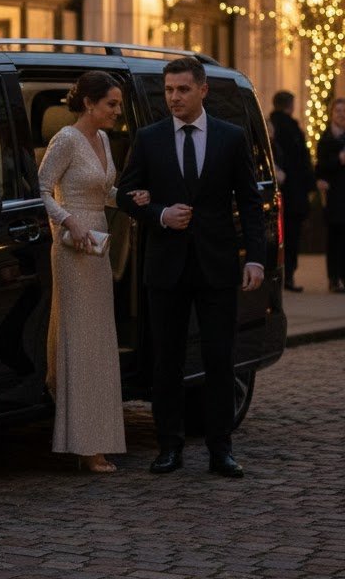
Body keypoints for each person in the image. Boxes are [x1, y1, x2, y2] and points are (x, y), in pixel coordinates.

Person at [117, 57, 265, 479]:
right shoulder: (148, 138)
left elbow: (250, 202)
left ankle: (221, 449)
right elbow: (127, 194)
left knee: (220, 358)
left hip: (217, 266)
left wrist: (254, 257)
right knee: (167, 360)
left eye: (182, 90)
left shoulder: (230, 137)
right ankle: (169, 447)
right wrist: (161, 214)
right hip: (166, 268)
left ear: (202, 91)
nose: (174, 98)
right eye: (168, 91)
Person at [38, 71, 149, 474]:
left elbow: (103, 192)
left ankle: (98, 441)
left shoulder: (102, 140)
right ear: (89, 103)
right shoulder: (65, 139)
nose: (118, 112)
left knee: (101, 343)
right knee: (80, 343)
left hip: (98, 246)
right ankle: (84, 445)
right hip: (71, 248)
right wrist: (68, 222)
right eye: (112, 104)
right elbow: (41, 188)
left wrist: (128, 196)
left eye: (118, 105)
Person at [268, 90, 315, 291]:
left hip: (278, 190)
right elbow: (302, 161)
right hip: (293, 192)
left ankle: (280, 278)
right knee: (291, 236)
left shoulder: (270, 125)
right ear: (290, 105)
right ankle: (288, 276)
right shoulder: (292, 129)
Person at [315, 97, 345, 293]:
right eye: (338, 112)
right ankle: (334, 278)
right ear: (332, 114)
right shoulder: (325, 139)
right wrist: (339, 159)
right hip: (334, 196)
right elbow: (320, 168)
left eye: (344, 112)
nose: (341, 115)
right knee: (335, 238)